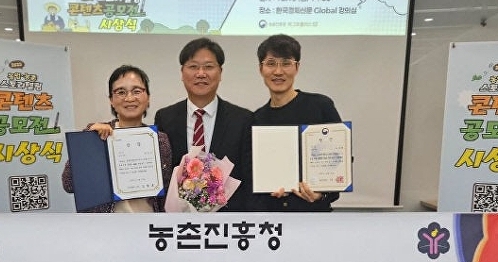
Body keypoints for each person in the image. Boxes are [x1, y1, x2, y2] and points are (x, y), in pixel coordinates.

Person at [154, 37, 253, 212]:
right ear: (182, 73)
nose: (201, 73)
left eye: (208, 67)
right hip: (178, 220)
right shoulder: (165, 117)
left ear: (220, 72)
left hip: (229, 218)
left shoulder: (242, 119)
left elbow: (248, 177)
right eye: (193, 67)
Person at [62, 65, 172, 212]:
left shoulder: (160, 140)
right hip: (106, 224)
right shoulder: (95, 135)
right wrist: (88, 143)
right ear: (111, 100)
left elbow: (165, 194)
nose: (129, 98)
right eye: (121, 92)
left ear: (148, 98)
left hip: (148, 222)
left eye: (137, 91)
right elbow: (68, 184)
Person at [253, 34, 342, 212]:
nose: (278, 71)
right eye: (271, 63)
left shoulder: (320, 106)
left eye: (286, 63)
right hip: (272, 219)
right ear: (261, 69)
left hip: (314, 216)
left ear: (297, 67)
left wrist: (322, 194)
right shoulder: (257, 119)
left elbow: (340, 159)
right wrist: (266, 191)